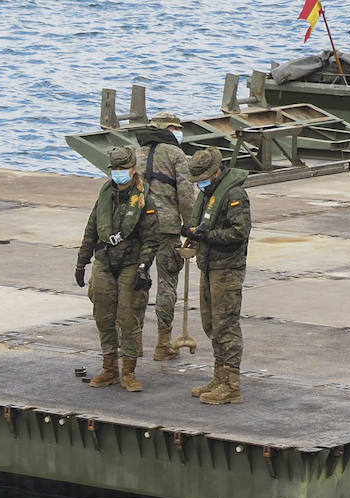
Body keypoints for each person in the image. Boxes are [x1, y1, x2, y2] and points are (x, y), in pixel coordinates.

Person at [75, 146, 160, 392]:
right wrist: (82, 261)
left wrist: (144, 267)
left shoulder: (144, 200)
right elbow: (91, 229)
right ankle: (109, 368)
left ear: (133, 170)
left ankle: (129, 372)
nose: (119, 174)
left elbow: (151, 239)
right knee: (103, 315)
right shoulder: (105, 196)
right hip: (104, 260)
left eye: (123, 169)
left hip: (130, 263)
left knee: (128, 317)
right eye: (115, 169)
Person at [181, 147, 251, 405]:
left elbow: (239, 233)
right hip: (210, 266)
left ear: (216, 172)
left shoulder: (234, 194)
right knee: (211, 323)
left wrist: (207, 236)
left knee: (227, 325)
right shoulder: (210, 194)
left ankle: (232, 386)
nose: (200, 184)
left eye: (203, 178)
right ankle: (219, 377)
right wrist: (192, 234)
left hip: (227, 268)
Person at [134, 113, 197, 361]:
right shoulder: (176, 154)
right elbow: (185, 194)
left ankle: (134, 343)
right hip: (166, 228)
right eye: (174, 128)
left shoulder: (136, 153)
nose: (178, 132)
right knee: (167, 284)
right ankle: (162, 344)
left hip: (139, 228)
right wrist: (191, 228)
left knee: (136, 283)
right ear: (164, 129)